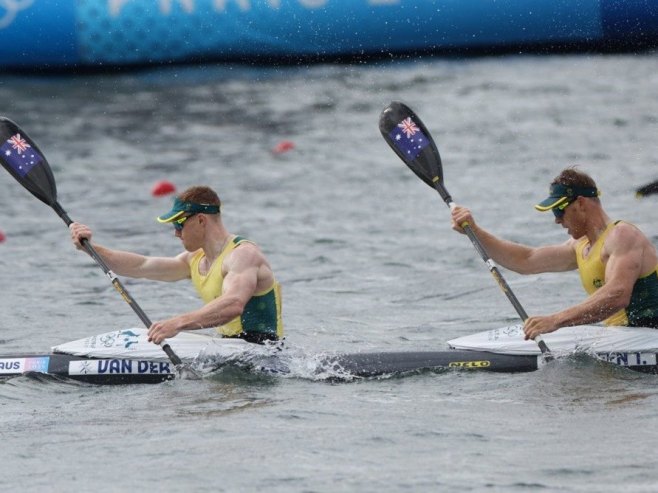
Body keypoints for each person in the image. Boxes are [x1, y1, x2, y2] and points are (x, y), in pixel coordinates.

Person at [451, 167, 658, 340]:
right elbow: (526, 260)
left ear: (580, 204)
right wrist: (476, 232)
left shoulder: (622, 235)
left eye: (559, 211)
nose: (557, 220)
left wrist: (555, 320)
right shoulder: (580, 246)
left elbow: (617, 295)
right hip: (622, 337)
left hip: (649, 334)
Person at [70, 185, 283, 345]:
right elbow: (140, 266)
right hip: (232, 349)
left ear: (201, 220)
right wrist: (91, 248)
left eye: (179, 224)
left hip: (263, 354)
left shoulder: (243, 255)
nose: (176, 233)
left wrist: (177, 323)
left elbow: (233, 304)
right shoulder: (194, 259)